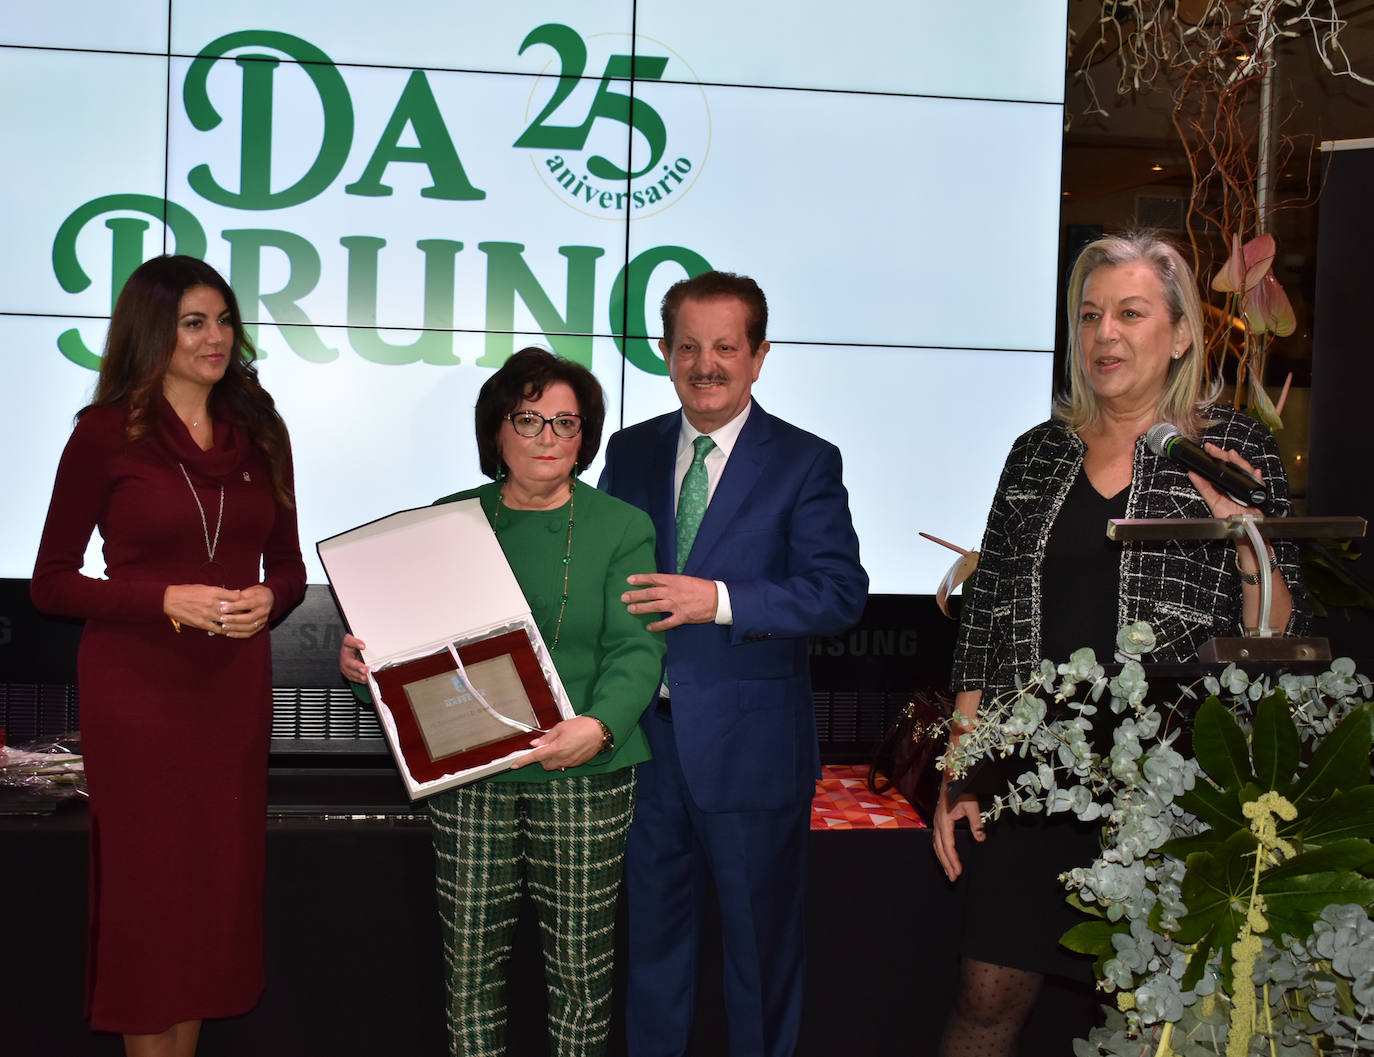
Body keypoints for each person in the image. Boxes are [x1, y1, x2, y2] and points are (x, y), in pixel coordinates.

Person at [931, 232, 1310, 1056]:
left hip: (1174, 785)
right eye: (1091, 314)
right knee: (985, 994)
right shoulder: (1037, 453)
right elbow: (988, 618)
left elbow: (1275, 632)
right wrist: (962, 767)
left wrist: (1243, 529)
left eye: (1130, 313)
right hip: (1031, 778)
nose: (1105, 333)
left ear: (1178, 333)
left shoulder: (1233, 451)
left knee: (1161, 1014)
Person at [339, 347, 664, 1057]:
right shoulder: (445, 520)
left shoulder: (622, 526)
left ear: (586, 436)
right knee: (470, 971)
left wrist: (600, 727)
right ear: (497, 430)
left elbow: (636, 650)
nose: (549, 438)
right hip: (472, 770)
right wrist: (367, 663)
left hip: (585, 771)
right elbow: (405, 645)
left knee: (582, 972)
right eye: (530, 419)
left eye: (566, 423)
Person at [30, 255, 306, 1057]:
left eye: (223, 320)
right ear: (152, 330)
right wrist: (160, 598)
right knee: (152, 904)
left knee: (211, 899)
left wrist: (272, 597)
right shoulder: (104, 434)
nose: (217, 337)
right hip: (140, 696)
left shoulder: (262, 429)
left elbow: (287, 563)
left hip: (231, 695)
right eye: (194, 322)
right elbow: (51, 582)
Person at [598, 270, 869, 1057]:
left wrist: (715, 598)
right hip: (644, 749)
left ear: (759, 356)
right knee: (652, 954)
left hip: (752, 755)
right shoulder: (631, 450)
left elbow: (837, 592)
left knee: (760, 960)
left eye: (725, 347)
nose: (705, 364)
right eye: (688, 347)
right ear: (663, 352)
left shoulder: (805, 461)